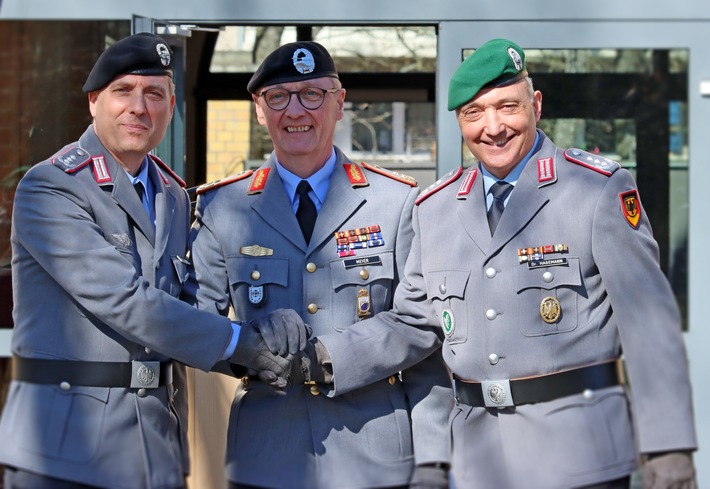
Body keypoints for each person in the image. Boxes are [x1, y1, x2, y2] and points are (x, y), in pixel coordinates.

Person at [296, 38, 699, 488]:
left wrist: (669, 445)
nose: (493, 128)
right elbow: (413, 322)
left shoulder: (596, 189)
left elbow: (648, 320)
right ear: (459, 121)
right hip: (477, 456)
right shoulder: (435, 208)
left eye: (508, 107)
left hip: (581, 450)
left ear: (536, 105)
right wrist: (327, 357)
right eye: (474, 113)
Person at [0, 33, 307, 489]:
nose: (139, 108)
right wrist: (243, 344)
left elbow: (187, 306)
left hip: (155, 441)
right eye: (123, 91)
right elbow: (126, 301)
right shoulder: (51, 188)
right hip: (65, 446)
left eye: (154, 94)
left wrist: (264, 336)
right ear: (93, 102)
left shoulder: (173, 196)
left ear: (171, 106)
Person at [182, 41, 452, 489]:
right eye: (278, 97)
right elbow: (194, 323)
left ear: (339, 103)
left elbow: (421, 323)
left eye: (312, 94)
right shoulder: (223, 207)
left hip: (375, 455)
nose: (295, 111)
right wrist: (248, 344)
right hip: (266, 455)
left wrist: (433, 460)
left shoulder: (395, 201)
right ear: (259, 110)